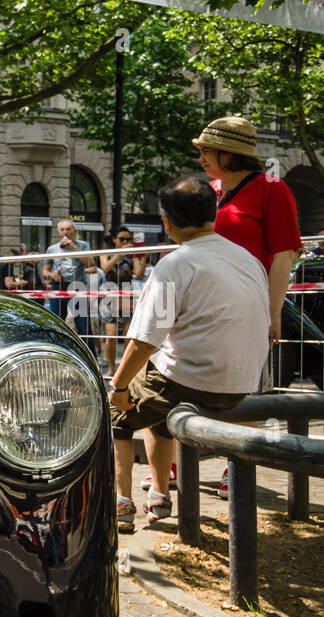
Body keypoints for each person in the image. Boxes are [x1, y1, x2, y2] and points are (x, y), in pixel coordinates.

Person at [109, 178, 269, 533]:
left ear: (167, 221)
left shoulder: (174, 264)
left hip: (193, 382)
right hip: (246, 384)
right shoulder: (248, 259)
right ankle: (160, 495)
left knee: (118, 411)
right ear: (213, 214)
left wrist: (118, 386)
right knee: (151, 402)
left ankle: (123, 503)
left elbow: (144, 340)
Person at [194, 115, 304, 499]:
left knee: (247, 387)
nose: (200, 156)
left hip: (249, 303)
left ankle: (237, 464)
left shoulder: (273, 189)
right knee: (197, 380)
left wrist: (272, 313)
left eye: (206, 150)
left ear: (228, 153)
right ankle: (186, 457)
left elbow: (283, 255)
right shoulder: (209, 190)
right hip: (205, 305)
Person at [99, 228, 147, 377]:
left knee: (128, 334)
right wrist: (119, 253)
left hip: (127, 295)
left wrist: (141, 253)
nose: (126, 242)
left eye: (128, 239)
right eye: (122, 239)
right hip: (110, 294)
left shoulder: (131, 255)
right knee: (111, 334)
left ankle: (125, 369)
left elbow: (139, 274)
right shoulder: (105, 252)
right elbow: (105, 268)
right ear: (114, 239)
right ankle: (112, 368)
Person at [41, 220, 96, 345]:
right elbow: (45, 271)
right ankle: (55, 352)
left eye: (68, 229)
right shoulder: (52, 249)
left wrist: (73, 248)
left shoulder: (83, 246)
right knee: (55, 323)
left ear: (74, 231)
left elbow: (90, 264)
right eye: (62, 229)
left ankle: (91, 357)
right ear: (59, 232)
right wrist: (52, 275)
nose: (65, 232)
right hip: (59, 286)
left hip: (77, 286)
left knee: (83, 325)